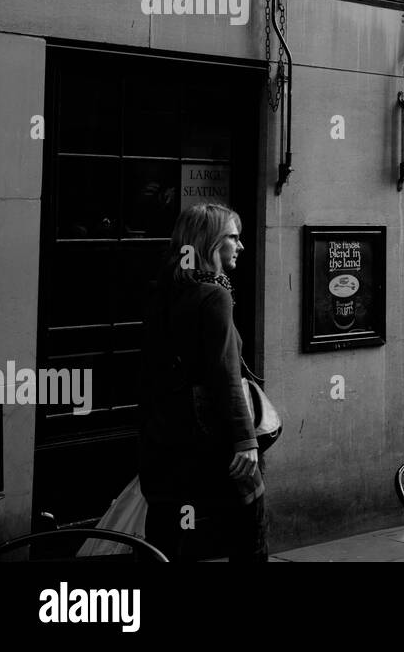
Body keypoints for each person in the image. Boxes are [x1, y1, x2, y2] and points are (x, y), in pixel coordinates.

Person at [139, 203, 267, 562]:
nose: (240, 246)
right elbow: (225, 375)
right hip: (213, 438)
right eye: (232, 238)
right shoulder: (215, 294)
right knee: (248, 529)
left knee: (168, 535)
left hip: (166, 437)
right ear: (209, 242)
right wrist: (246, 440)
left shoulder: (163, 290)